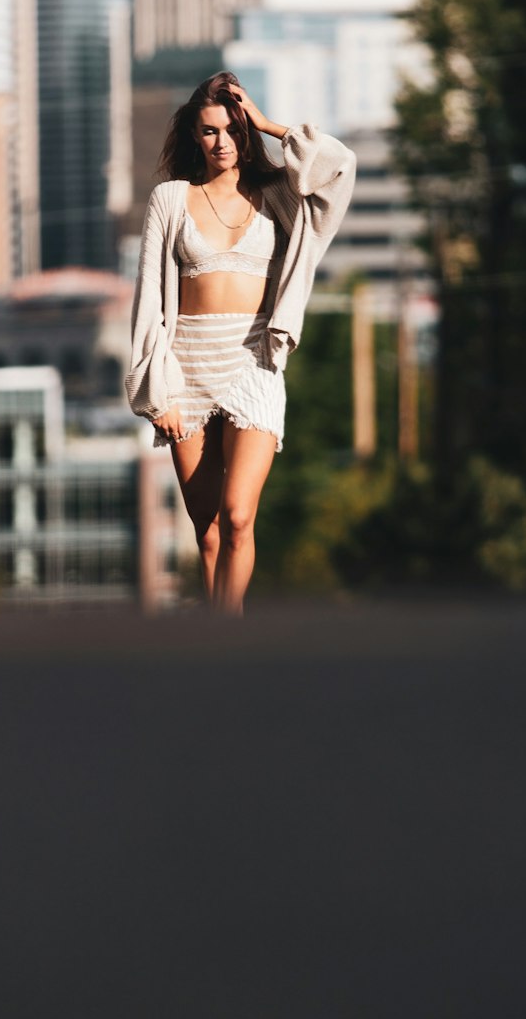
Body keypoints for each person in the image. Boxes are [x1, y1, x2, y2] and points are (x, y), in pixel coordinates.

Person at [127, 72, 356, 613]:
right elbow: (149, 303)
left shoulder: (279, 193)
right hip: (185, 369)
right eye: (209, 132)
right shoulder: (170, 199)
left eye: (232, 129)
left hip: (253, 363)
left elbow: (339, 167)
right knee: (206, 534)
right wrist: (158, 392)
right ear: (194, 137)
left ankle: (231, 637)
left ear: (245, 130)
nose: (222, 142)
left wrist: (270, 124)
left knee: (237, 517)